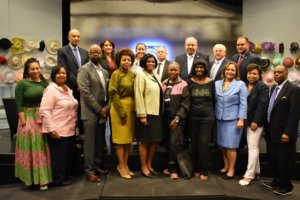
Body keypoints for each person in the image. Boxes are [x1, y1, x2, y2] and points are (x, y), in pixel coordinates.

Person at [14, 58, 51, 190]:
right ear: (27, 71)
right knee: (31, 149)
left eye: (37, 68)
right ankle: (31, 179)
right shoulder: (22, 84)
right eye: (32, 69)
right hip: (28, 118)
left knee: (41, 148)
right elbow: (19, 104)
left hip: (41, 116)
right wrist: (24, 124)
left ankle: (43, 179)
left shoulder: (43, 83)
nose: (36, 71)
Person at [263, 65, 300, 195]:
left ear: (286, 73)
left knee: (285, 160)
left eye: (280, 72)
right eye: (275, 72)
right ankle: (278, 180)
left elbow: (294, 114)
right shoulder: (273, 87)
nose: (277, 74)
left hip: (284, 133)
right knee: (273, 158)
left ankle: (286, 186)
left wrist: (287, 132)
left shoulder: (294, 89)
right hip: (271, 131)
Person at [39, 66, 78, 186]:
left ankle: (65, 177)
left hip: (69, 128)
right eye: (59, 73)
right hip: (57, 129)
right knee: (59, 157)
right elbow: (45, 110)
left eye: (64, 73)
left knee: (67, 156)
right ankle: (59, 180)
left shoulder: (67, 89)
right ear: (53, 75)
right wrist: (51, 129)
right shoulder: (51, 90)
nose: (62, 75)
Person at [77, 44, 110, 182]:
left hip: (102, 112)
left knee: (98, 142)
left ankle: (97, 166)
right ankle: (89, 171)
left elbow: (107, 92)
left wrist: (107, 107)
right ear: (89, 55)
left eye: (98, 51)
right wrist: (99, 109)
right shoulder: (84, 69)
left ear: (101, 54)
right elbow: (85, 92)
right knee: (89, 144)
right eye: (92, 52)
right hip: (91, 112)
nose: (95, 53)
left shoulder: (105, 71)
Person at [215, 62, 247, 179]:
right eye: (228, 69)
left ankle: (232, 169)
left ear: (236, 72)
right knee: (223, 145)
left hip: (233, 120)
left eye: (232, 70)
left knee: (231, 146)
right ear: (224, 71)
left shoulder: (240, 84)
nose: (230, 72)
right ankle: (226, 166)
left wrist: (241, 119)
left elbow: (243, 103)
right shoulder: (217, 83)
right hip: (219, 119)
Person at [239, 64, 269, 186]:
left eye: (254, 73)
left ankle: (249, 175)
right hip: (246, 120)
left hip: (256, 122)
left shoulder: (263, 87)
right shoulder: (245, 85)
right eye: (249, 73)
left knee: (253, 147)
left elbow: (262, 106)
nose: (251, 75)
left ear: (259, 75)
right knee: (252, 146)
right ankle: (256, 171)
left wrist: (255, 121)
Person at [134, 53, 163, 178]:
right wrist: (142, 115)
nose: (151, 63)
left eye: (153, 61)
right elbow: (138, 95)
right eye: (148, 61)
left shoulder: (156, 75)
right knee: (145, 142)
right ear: (144, 63)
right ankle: (144, 167)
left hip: (156, 113)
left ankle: (149, 165)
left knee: (155, 142)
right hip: (147, 113)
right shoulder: (141, 75)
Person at [109, 48, 135, 179]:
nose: (126, 62)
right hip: (119, 108)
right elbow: (113, 93)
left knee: (128, 141)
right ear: (119, 61)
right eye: (124, 59)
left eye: (129, 60)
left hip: (131, 108)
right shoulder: (116, 74)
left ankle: (125, 164)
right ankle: (121, 166)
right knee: (120, 141)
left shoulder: (133, 74)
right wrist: (122, 112)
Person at [187, 59, 215, 181]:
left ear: (205, 69)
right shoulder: (189, 82)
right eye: (197, 67)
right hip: (192, 117)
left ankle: (204, 170)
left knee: (203, 143)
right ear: (194, 69)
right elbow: (187, 101)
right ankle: (196, 169)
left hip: (207, 117)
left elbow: (214, 100)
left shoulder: (211, 82)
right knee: (194, 144)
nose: (199, 69)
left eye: (201, 67)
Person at [57, 29, 89, 135]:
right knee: (71, 114)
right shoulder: (62, 51)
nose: (76, 38)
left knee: (82, 113)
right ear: (68, 37)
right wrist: (78, 83)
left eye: (78, 36)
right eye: (74, 36)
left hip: (83, 89)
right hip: (70, 88)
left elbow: (87, 70)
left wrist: (83, 84)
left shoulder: (85, 52)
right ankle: (71, 137)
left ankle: (82, 137)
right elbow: (64, 70)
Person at [162, 62, 190, 179]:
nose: (173, 72)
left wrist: (177, 118)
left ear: (179, 70)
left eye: (175, 70)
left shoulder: (183, 84)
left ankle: (174, 170)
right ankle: (169, 167)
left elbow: (185, 104)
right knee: (168, 143)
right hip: (165, 118)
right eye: (170, 70)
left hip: (177, 119)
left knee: (174, 143)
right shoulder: (164, 83)